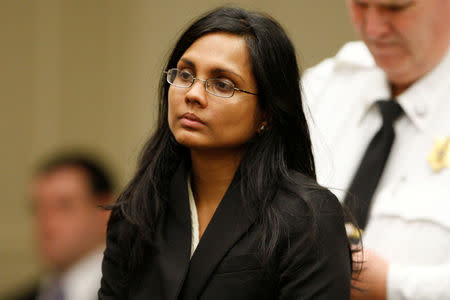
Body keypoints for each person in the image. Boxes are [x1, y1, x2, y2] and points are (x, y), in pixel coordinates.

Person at [99, 6, 353, 300]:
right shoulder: (138, 209)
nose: (193, 94)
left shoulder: (307, 218)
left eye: (222, 84)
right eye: (184, 74)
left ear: (267, 114)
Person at [302, 0, 450, 299]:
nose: (373, 28)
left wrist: (393, 286)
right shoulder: (323, 86)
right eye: (360, 5)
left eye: (395, 8)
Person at [7, 154, 115, 300]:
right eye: (37, 208)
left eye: (63, 206)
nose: (46, 221)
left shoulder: (138, 292)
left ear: (106, 212)